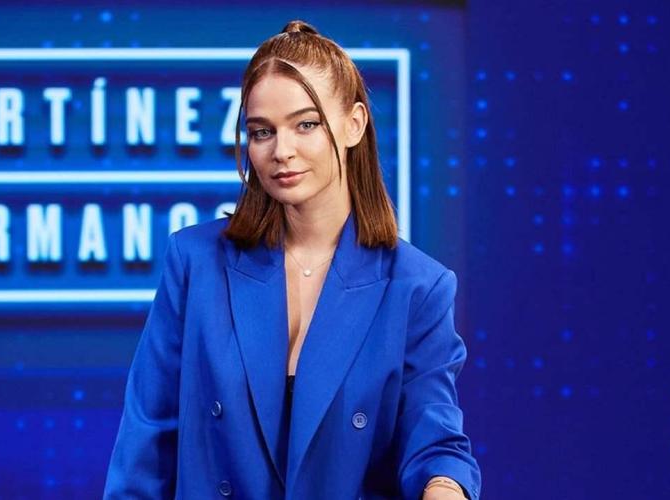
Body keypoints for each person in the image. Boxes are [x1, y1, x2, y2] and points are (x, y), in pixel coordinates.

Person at [104, 20, 481, 500]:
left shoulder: (419, 287)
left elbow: (434, 438)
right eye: (262, 131)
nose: (282, 151)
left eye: (306, 124)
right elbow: (145, 445)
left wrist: (444, 487)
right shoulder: (194, 263)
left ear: (354, 124)